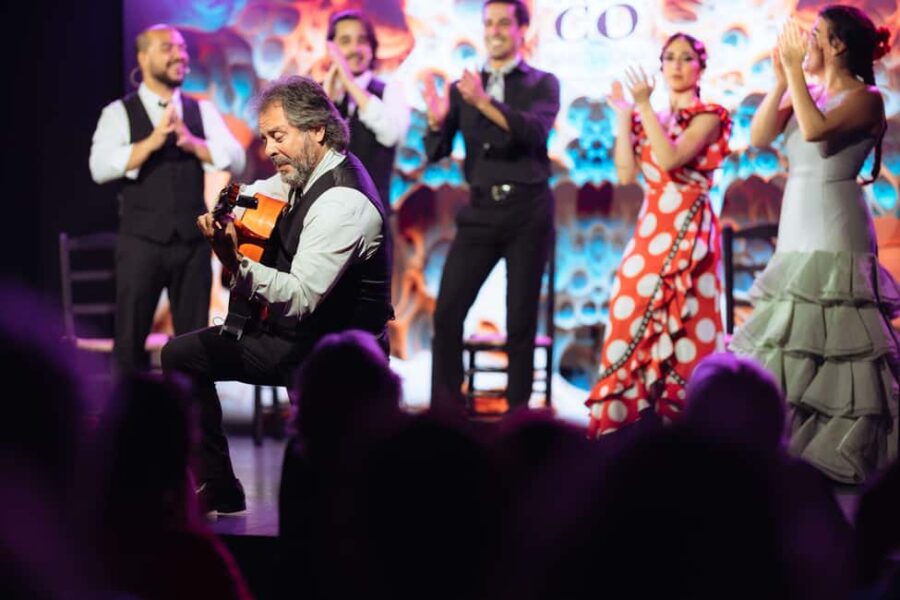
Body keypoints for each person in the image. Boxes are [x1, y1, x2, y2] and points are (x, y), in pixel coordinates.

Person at [161, 75, 394, 513]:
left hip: (337, 356)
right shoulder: (308, 171)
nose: (269, 149)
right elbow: (266, 191)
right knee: (180, 355)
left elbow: (303, 296)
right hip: (296, 341)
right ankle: (218, 484)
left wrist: (236, 264)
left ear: (317, 130)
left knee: (331, 490)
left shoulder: (343, 203)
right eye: (266, 137)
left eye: (278, 136)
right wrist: (230, 205)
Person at [732, 5, 899, 484]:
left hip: (835, 224)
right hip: (797, 222)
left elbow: (816, 133)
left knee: (836, 338)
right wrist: (783, 80)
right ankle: (784, 455)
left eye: (815, 35)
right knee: (790, 337)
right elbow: (761, 135)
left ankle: (834, 465)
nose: (804, 44)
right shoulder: (811, 91)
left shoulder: (866, 98)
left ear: (838, 45)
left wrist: (795, 77)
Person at [585, 33, 732, 437]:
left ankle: (686, 436)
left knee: (687, 329)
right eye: (669, 58)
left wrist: (645, 105)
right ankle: (619, 433)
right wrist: (622, 114)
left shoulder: (709, 115)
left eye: (687, 57)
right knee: (626, 317)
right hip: (651, 228)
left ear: (701, 66)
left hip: (690, 229)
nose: (677, 65)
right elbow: (625, 173)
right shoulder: (646, 118)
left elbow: (670, 159)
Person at [423, 0, 560, 414]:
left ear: (521, 30)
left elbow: (533, 133)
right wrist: (435, 121)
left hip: (528, 210)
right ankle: (448, 415)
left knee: (519, 321)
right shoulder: (463, 88)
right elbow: (436, 151)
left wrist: (483, 102)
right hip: (479, 211)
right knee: (447, 314)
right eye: (489, 23)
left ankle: (518, 422)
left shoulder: (542, 83)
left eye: (504, 22)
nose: (496, 30)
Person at [89, 24, 245, 373]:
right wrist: (152, 142)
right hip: (141, 242)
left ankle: (195, 425)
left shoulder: (200, 112)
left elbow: (237, 159)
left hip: (191, 245)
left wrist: (193, 143)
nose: (180, 55)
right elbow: (99, 168)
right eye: (167, 48)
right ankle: (127, 424)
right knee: (128, 344)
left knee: (194, 346)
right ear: (143, 58)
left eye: (182, 48)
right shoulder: (119, 113)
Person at [321, 9, 410, 213]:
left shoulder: (389, 91)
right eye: (345, 41)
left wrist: (350, 83)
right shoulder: (320, 93)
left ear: (372, 47)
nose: (355, 48)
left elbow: (391, 135)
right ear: (331, 49)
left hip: (372, 213)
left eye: (362, 40)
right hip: (326, 211)